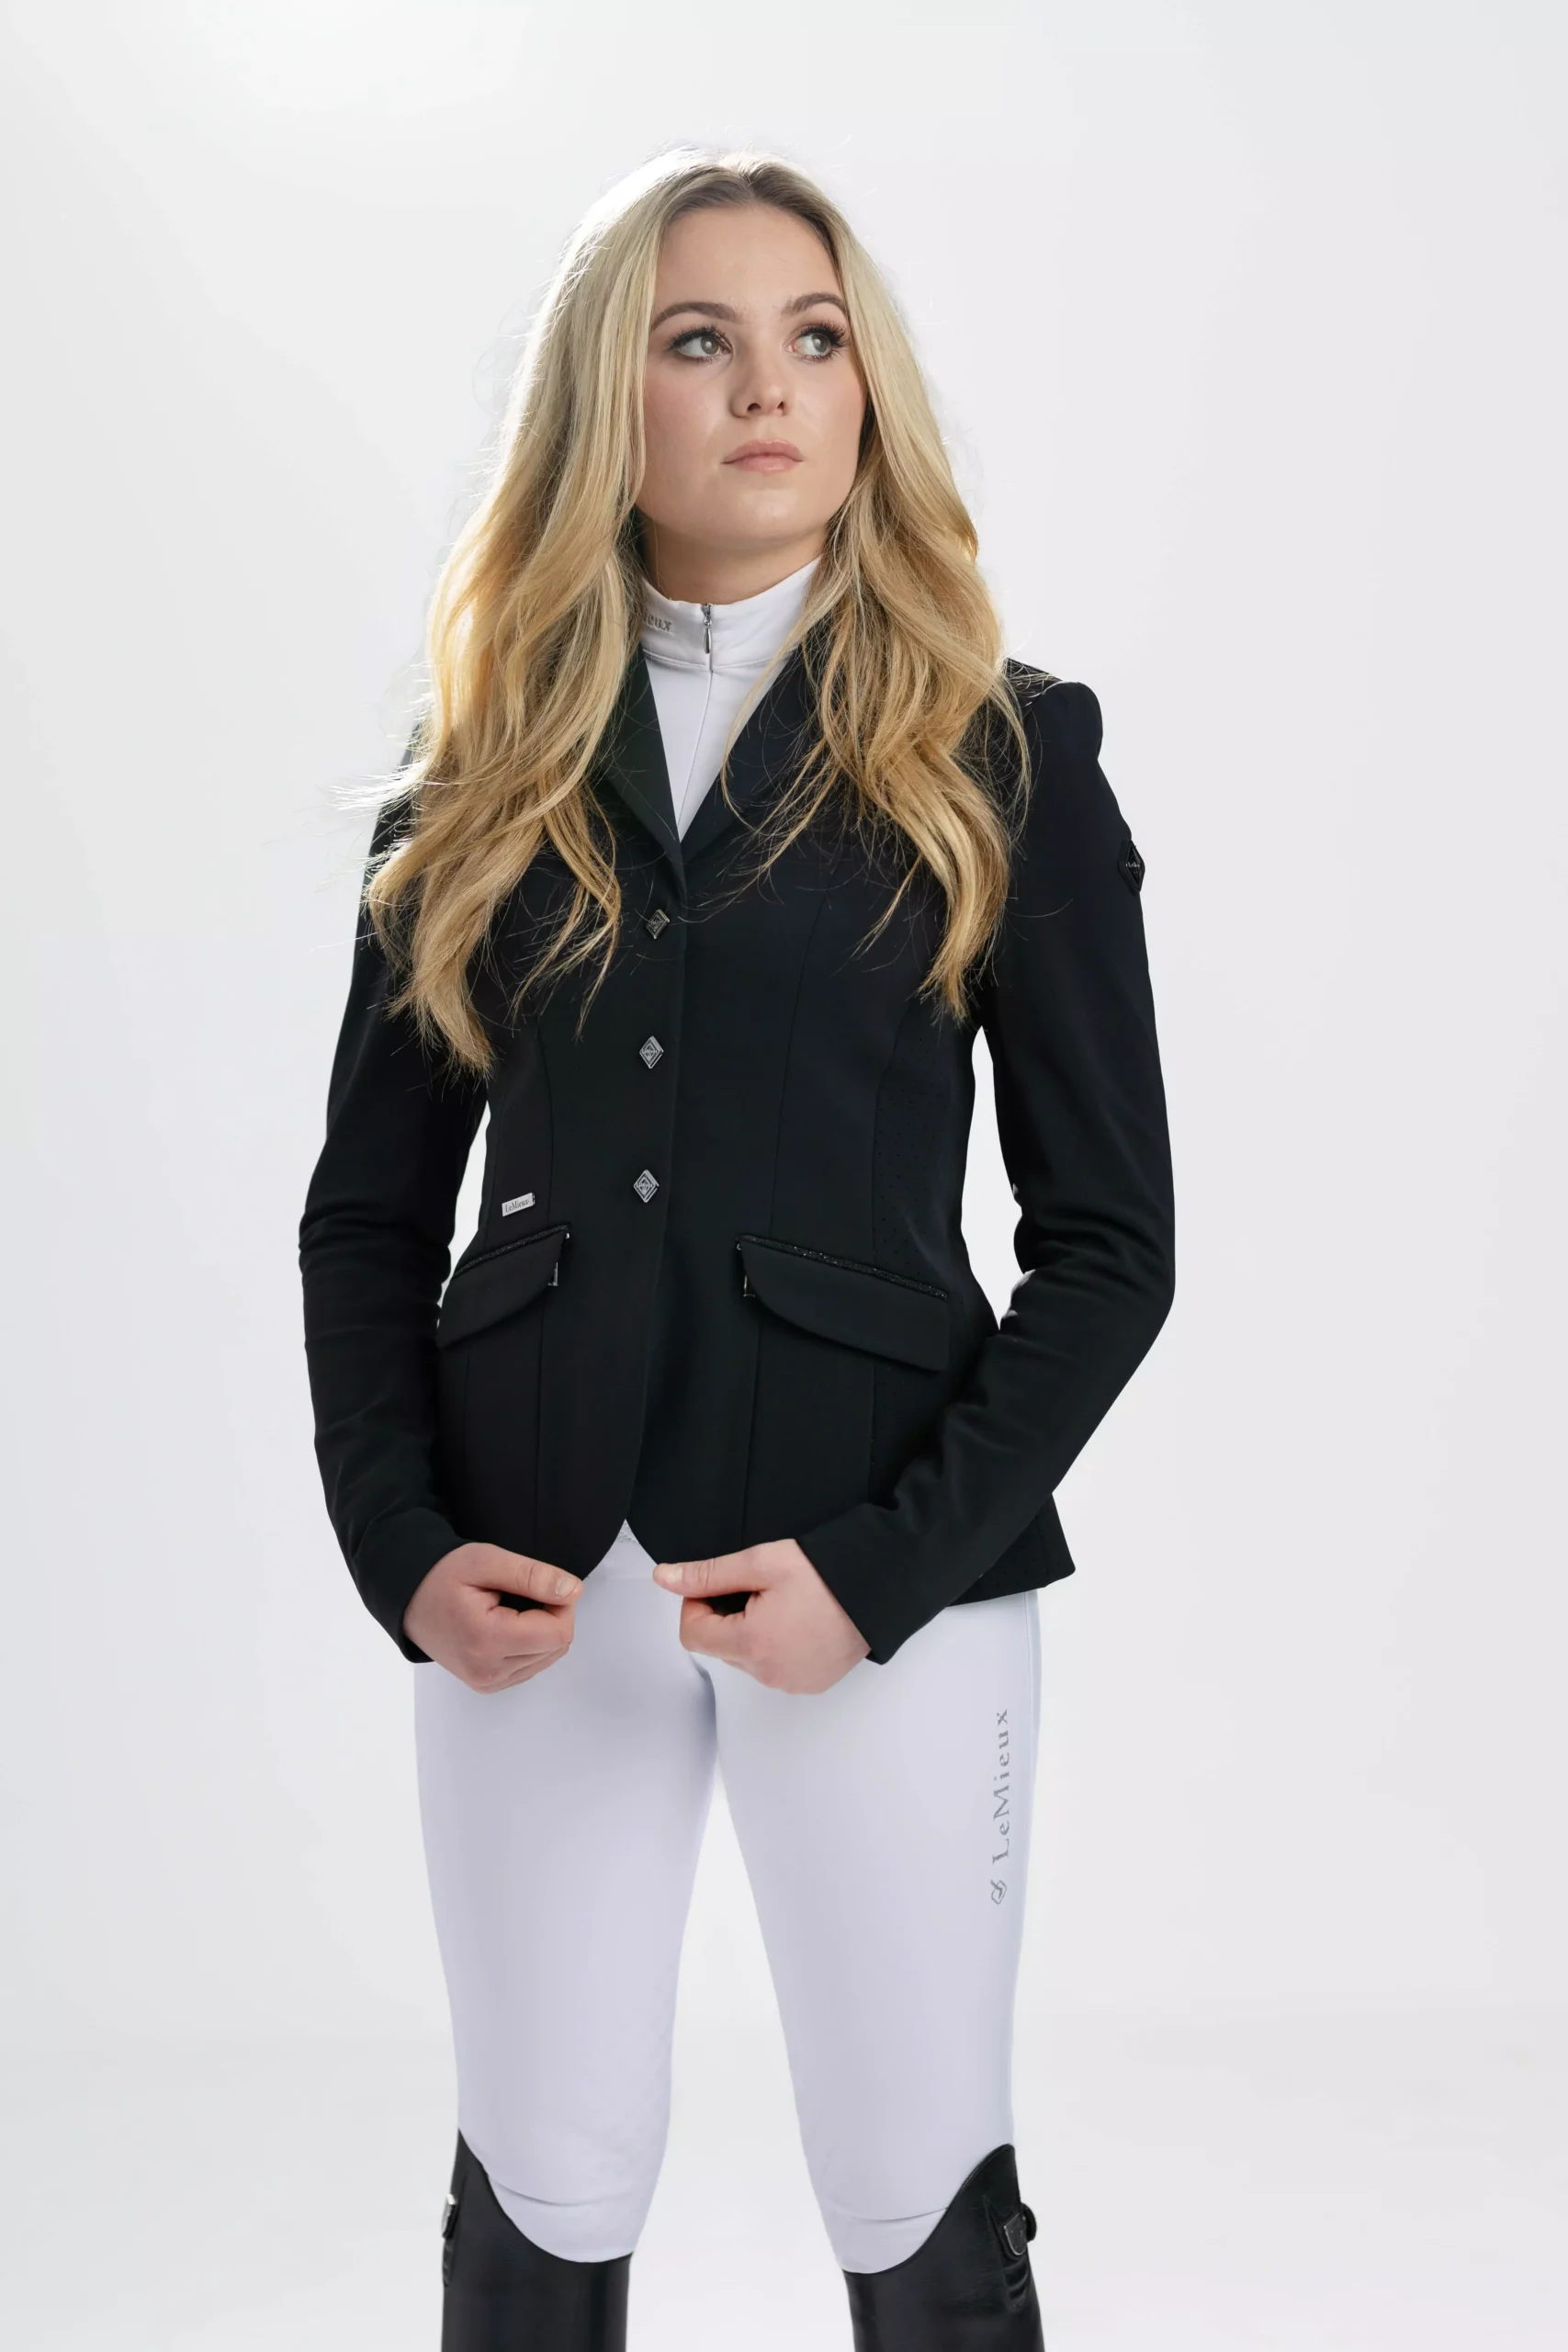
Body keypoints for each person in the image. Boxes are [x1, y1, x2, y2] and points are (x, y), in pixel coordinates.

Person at [299, 146, 1175, 2352]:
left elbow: (1108, 1244)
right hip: (531, 1584)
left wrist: (879, 1571)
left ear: (866, 393)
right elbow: (366, 1215)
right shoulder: (478, 774)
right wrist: (399, 1541)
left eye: (814, 338)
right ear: (615, 396)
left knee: (916, 2184)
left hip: (887, 1575)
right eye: (700, 340)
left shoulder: (1003, 752)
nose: (768, 386)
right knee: (539, 2176)